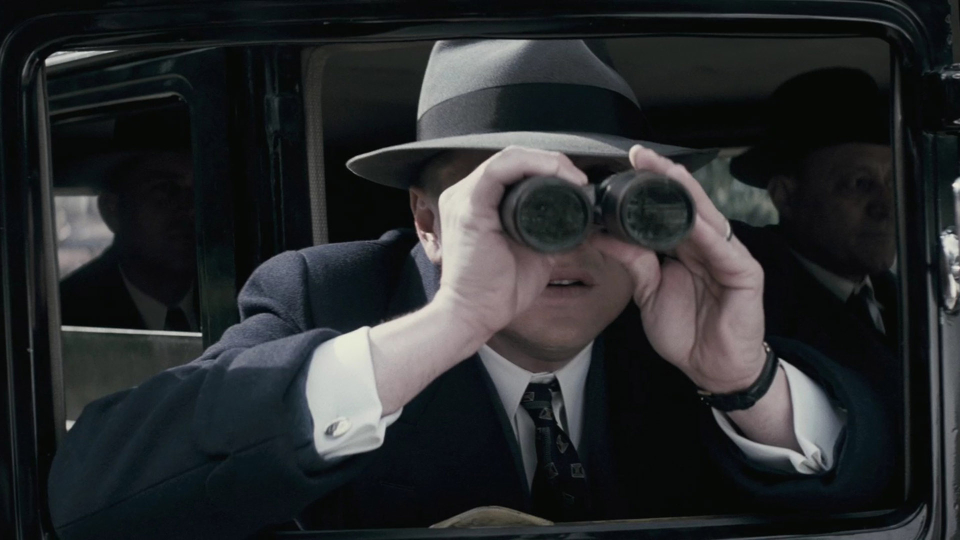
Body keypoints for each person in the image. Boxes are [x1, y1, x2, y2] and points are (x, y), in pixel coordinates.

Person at [48, 40, 894, 539]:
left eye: (598, 202)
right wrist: (447, 326)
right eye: (523, 206)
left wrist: (744, 383)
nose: (567, 241)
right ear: (427, 220)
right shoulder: (327, 297)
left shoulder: (683, 312)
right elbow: (92, 498)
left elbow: (894, 480)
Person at [729, 68, 899, 396]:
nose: (887, 206)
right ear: (786, 196)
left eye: (894, 182)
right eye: (860, 183)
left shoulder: (901, 299)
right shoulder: (753, 307)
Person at [59, 111, 199, 332]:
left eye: (200, 190)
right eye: (165, 189)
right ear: (112, 210)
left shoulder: (237, 292)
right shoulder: (66, 314)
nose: (191, 209)